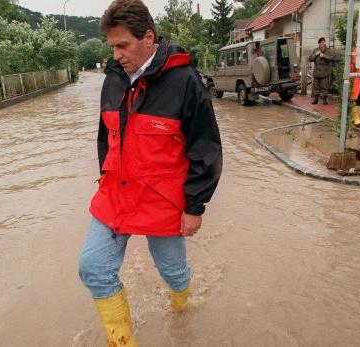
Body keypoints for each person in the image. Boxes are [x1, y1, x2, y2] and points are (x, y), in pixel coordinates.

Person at [77, 0, 223, 345]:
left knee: (172, 272)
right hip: (115, 196)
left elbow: (207, 150)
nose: (116, 55)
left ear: (148, 37)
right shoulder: (112, 80)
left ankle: (182, 310)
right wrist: (105, 178)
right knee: (93, 268)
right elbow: (106, 138)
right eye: (112, 46)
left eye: (122, 45)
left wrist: (194, 207)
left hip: (162, 201)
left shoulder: (185, 82)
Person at [309, 37, 335, 105]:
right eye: (321, 42)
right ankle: (316, 99)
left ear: (325, 43)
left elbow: (332, 58)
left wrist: (324, 56)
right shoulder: (315, 50)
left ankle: (325, 99)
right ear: (319, 43)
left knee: (324, 86)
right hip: (317, 71)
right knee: (316, 86)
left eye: (323, 42)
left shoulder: (328, 50)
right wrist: (316, 54)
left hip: (325, 72)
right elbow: (310, 58)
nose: (322, 44)